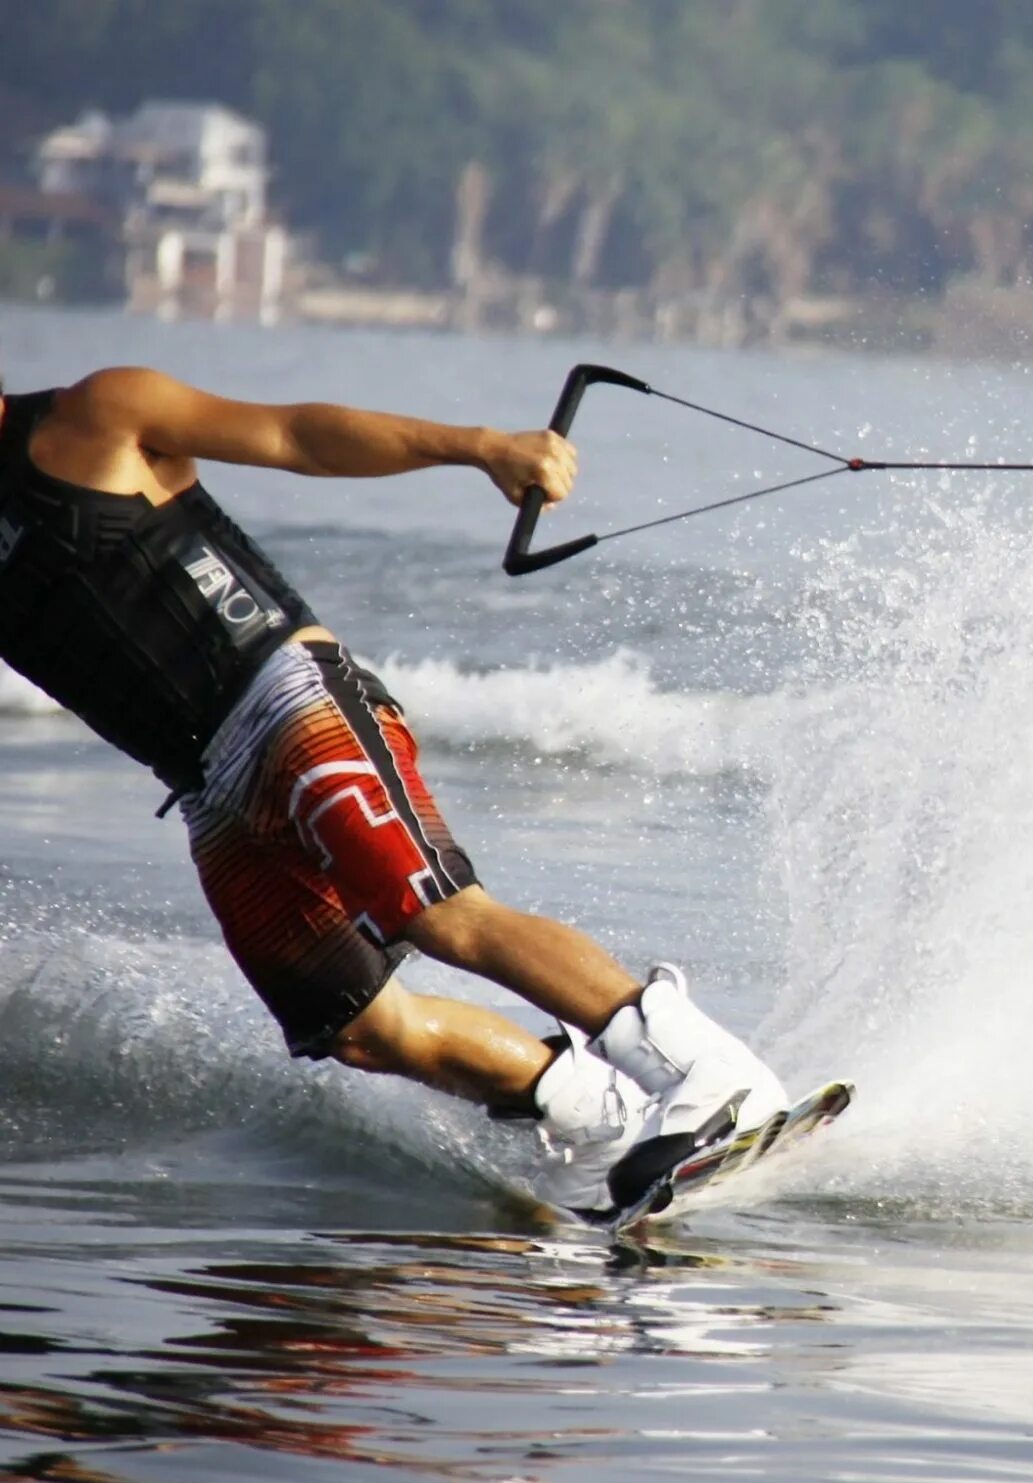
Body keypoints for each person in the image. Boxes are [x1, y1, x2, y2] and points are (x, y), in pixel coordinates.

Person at [0, 366, 786, 1218]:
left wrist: (481, 448)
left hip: (283, 701)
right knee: (361, 1031)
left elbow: (297, 435)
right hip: (207, 793)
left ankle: (705, 1069)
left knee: (441, 913)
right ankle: (599, 1122)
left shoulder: (98, 414)